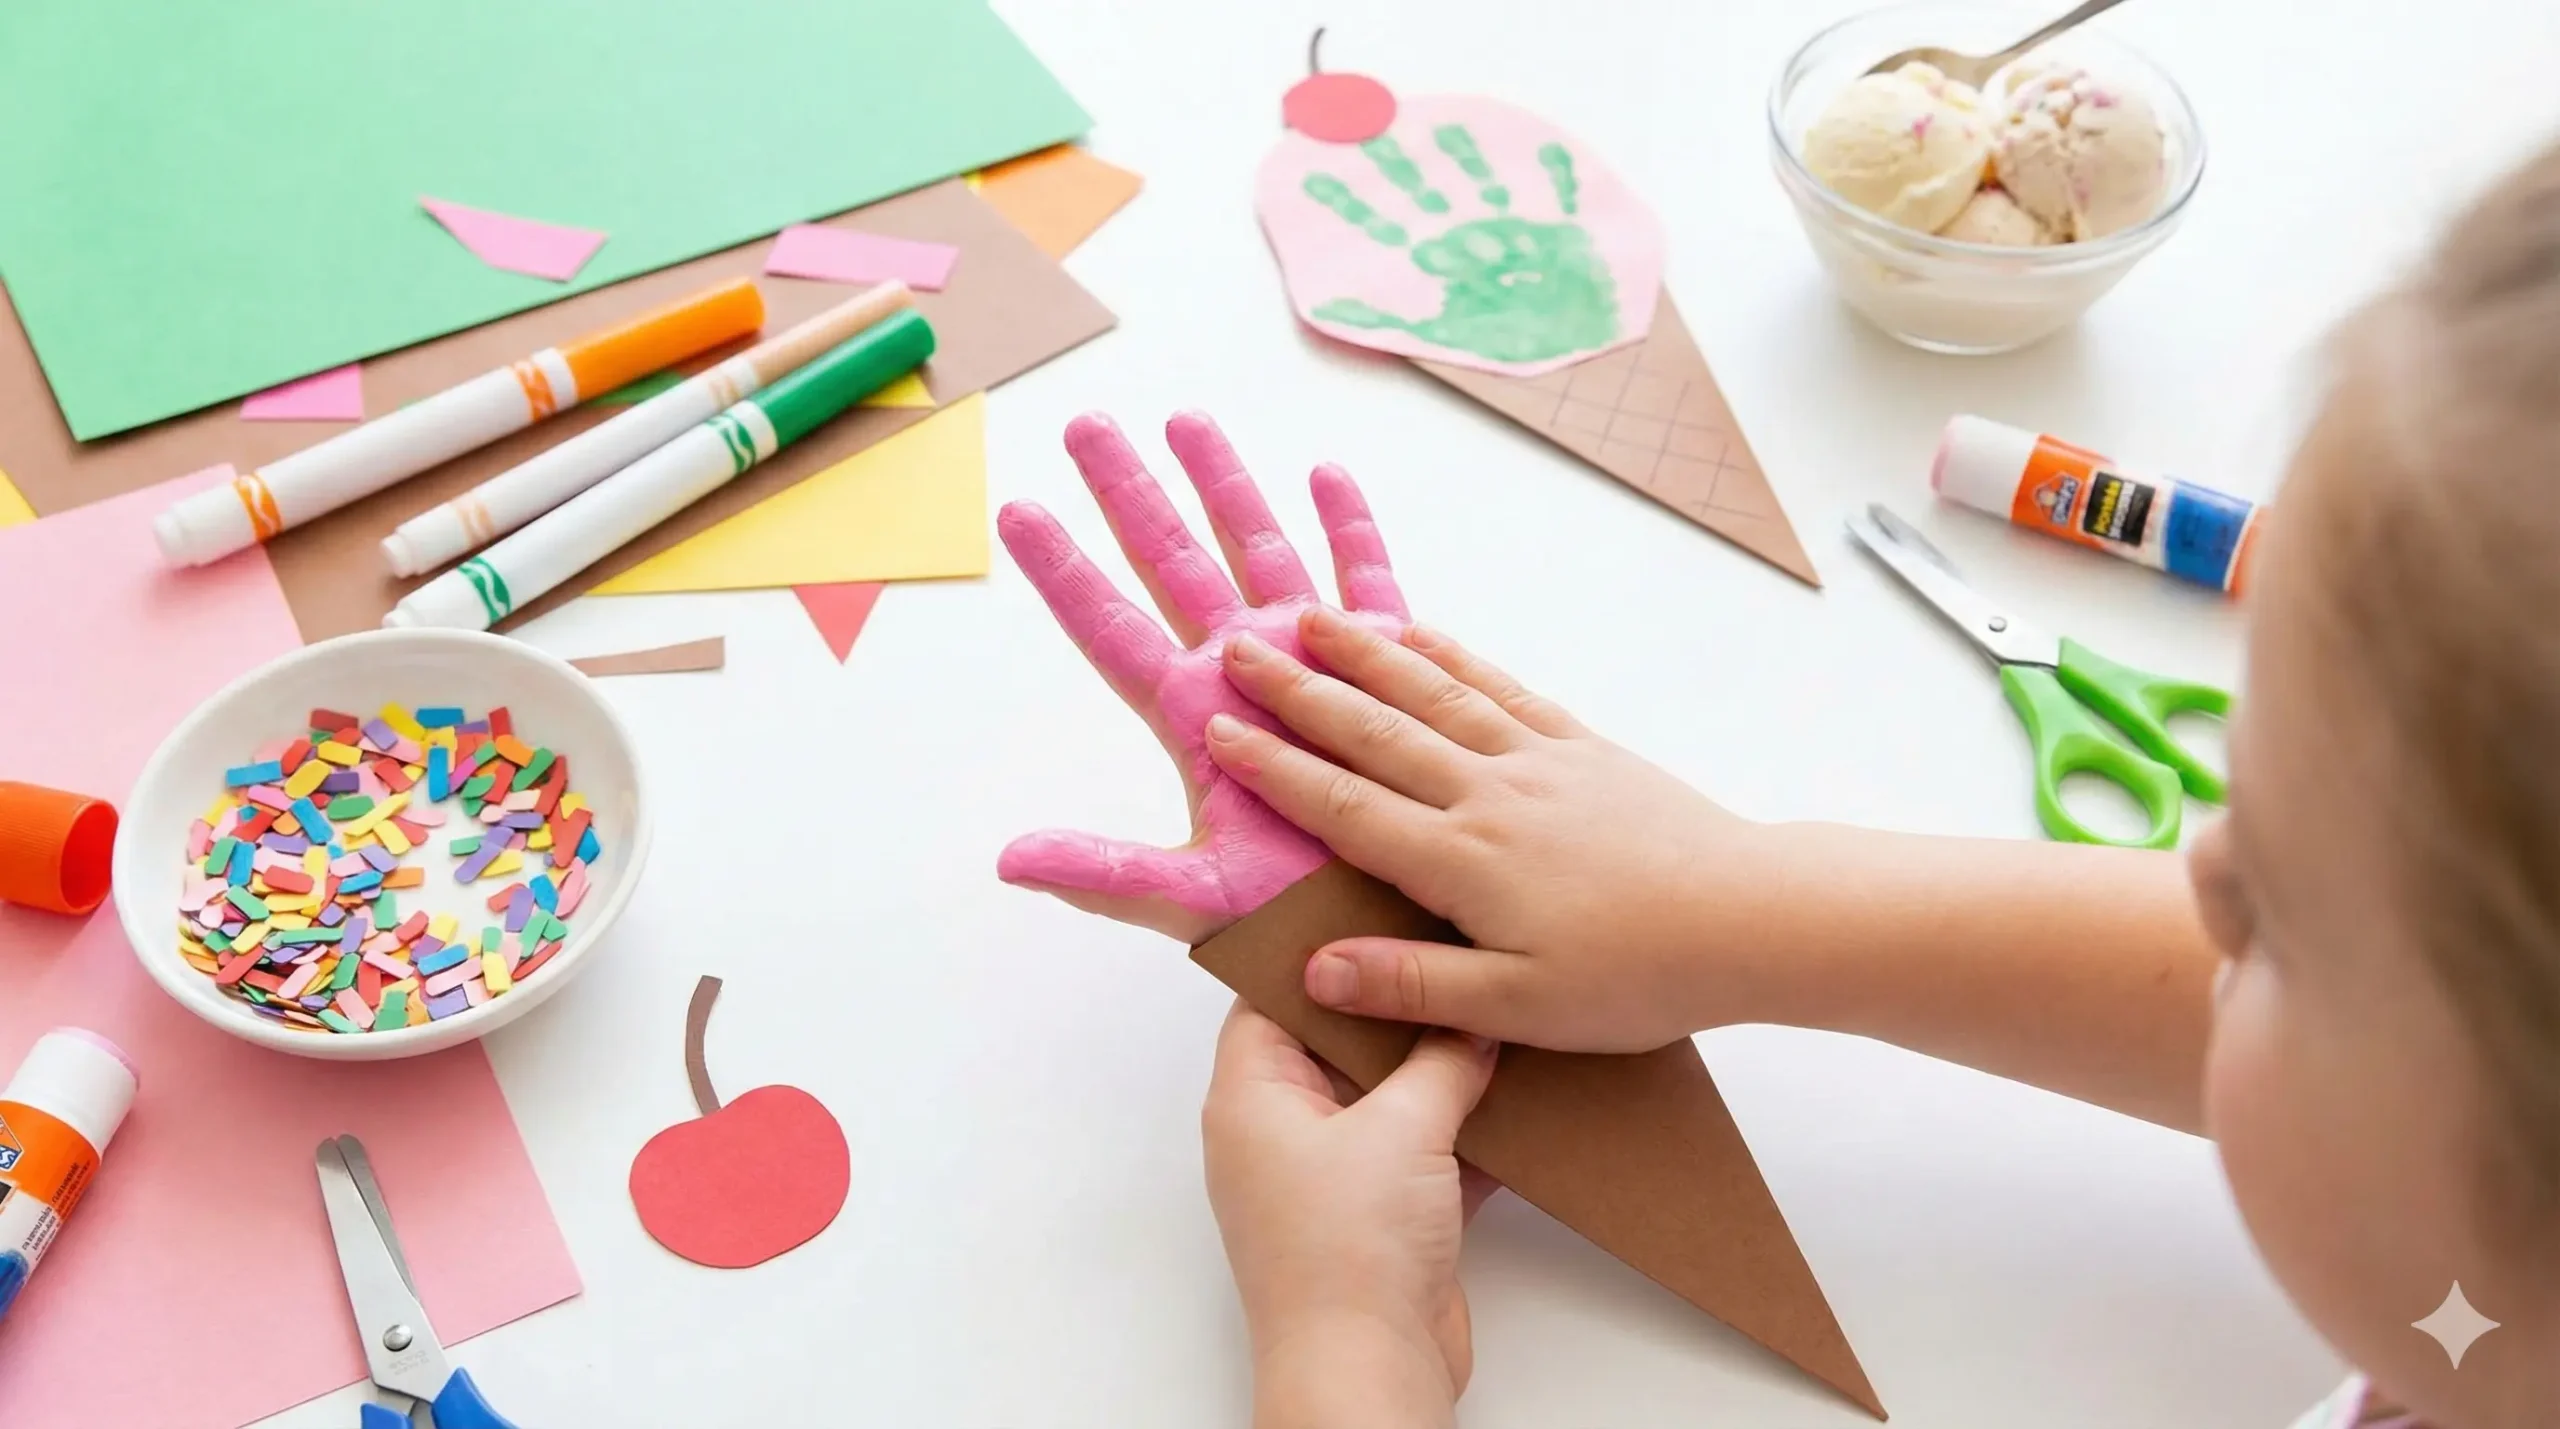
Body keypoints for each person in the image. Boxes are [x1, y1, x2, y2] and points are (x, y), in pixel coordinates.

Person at [996, 147, 2560, 1429]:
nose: (2196, 883)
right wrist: (1739, 903)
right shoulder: (2495, 1312)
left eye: (2275, 915)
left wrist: (1349, 1355)